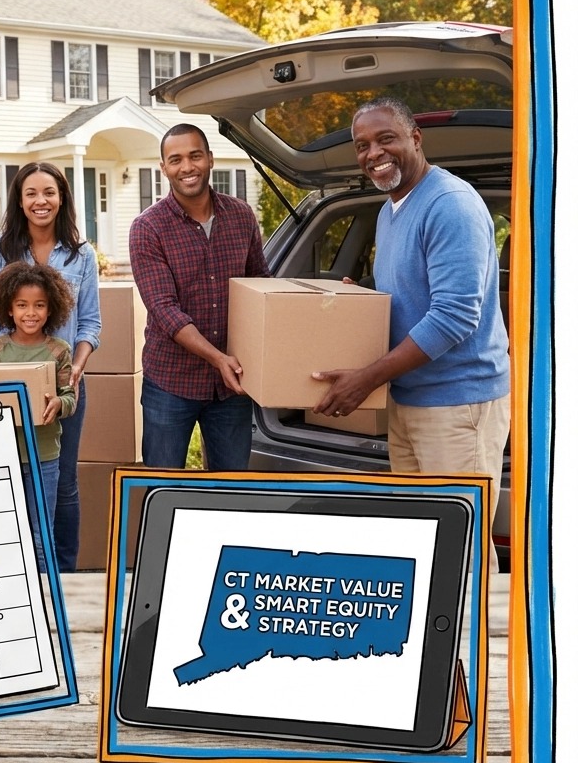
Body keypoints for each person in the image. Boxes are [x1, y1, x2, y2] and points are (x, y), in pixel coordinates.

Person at [311, 96, 511, 535]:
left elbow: (453, 318)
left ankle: (474, 609)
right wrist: (361, 298)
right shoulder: (390, 210)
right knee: (423, 538)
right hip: (409, 399)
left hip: (458, 405)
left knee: (461, 546)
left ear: (415, 139)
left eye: (386, 139)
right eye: (362, 146)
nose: (373, 154)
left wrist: (366, 378)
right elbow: (408, 291)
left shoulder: (450, 204)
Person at [0, 162, 101, 572]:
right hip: (8, 384)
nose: (40, 201)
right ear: (19, 199)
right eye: (31, 193)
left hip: (63, 385)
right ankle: (16, 573)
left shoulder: (81, 255)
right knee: (11, 476)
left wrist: (75, 372)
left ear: (62, 197)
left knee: (62, 481)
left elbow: (90, 324)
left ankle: (62, 573)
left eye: (49, 192)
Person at [129, 122, 270, 470]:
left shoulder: (241, 216)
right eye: (175, 160)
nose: (187, 167)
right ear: (164, 168)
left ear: (210, 158)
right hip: (171, 382)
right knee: (162, 487)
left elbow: (261, 285)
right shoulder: (148, 227)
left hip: (232, 384)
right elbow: (165, 310)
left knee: (230, 488)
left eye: (195, 156)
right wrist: (217, 358)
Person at [0, 261, 77, 572]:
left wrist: (58, 405)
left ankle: (47, 597)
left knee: (40, 534)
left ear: (51, 310)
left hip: (43, 455)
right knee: (7, 531)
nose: (30, 313)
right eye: (22, 305)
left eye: (39, 305)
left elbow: (70, 397)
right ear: (9, 309)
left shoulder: (59, 350)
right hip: (3, 456)